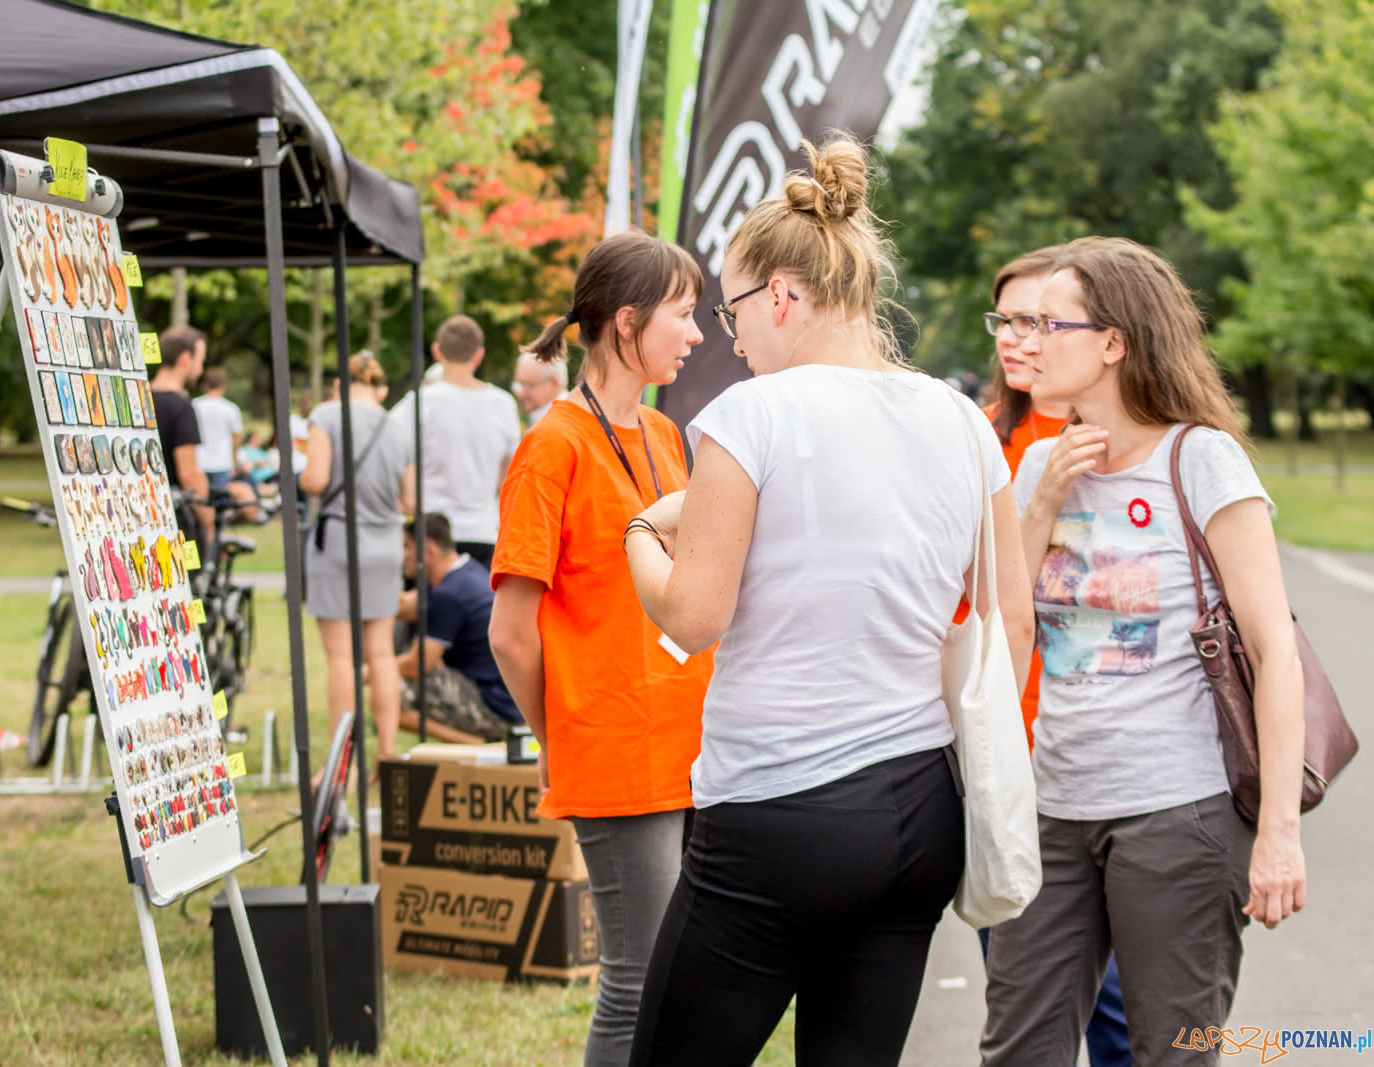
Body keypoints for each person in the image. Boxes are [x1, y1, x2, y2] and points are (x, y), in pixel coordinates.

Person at [620, 135, 1033, 1065]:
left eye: (731, 312)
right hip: (921, 804)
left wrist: (640, 537)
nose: (731, 338)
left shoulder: (750, 415)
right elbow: (1012, 616)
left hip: (778, 809)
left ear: (780, 295)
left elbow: (693, 615)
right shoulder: (961, 419)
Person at [981, 236, 1306, 1066]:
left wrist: (1277, 834)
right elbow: (1010, 621)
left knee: (1172, 1051)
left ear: (1114, 342)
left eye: (1051, 323)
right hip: (1055, 804)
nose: (1026, 340)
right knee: (1018, 1048)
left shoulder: (1200, 459)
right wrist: (1043, 499)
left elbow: (1274, 651)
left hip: (1178, 811)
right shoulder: (1046, 463)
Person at [489, 231, 713, 1067]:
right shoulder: (552, 448)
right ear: (628, 323)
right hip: (616, 754)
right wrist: (562, 738)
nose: (696, 334)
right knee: (637, 977)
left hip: (685, 744)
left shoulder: (662, 432)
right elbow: (510, 634)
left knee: (680, 975)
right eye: (683, 315)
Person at [981, 247, 1131, 1067]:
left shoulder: (1116, 438)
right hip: (1011, 751)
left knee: (1118, 1007)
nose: (1017, 338)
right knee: (1023, 994)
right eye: (1005, 319)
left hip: (1093, 753)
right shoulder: (985, 439)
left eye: (1037, 320)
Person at [299, 351, 416, 761]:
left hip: (339, 542)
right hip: (385, 544)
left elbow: (315, 479)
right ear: (378, 385)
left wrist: (297, 475)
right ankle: (386, 752)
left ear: (338, 383)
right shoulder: (398, 427)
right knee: (381, 653)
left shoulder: (328, 415)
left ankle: (340, 760)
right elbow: (411, 499)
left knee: (342, 658)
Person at [393, 315, 521, 568]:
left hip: (430, 534)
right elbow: (508, 476)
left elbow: (393, 455)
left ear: (437, 351)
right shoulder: (503, 404)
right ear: (479, 355)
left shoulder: (418, 403)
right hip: (483, 530)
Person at [395, 513, 521, 743]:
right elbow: (405, 605)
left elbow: (416, 666)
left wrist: (369, 671)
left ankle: (476, 743)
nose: (402, 555)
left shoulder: (449, 595)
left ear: (429, 551)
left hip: (496, 707)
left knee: (393, 690)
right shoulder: (467, 571)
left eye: (406, 546)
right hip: (510, 699)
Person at [151, 325, 212, 548]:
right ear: (186, 358)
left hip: (143, 517)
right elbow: (189, 475)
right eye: (200, 360)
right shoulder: (181, 406)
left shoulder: (139, 399)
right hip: (176, 521)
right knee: (191, 578)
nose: (200, 369)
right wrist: (207, 519)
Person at [191, 366, 260, 520]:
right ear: (223, 386)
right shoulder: (231, 409)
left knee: (199, 504)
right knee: (219, 506)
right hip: (221, 463)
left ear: (204, 385)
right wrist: (236, 461)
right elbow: (236, 440)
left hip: (198, 461)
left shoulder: (193, 405)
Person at [512, 351, 568, 427]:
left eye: (530, 385)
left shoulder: (563, 423)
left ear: (554, 383)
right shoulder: (539, 415)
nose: (521, 393)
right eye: (521, 384)